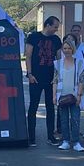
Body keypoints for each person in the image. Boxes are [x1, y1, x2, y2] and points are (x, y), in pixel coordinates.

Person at [26, 16, 63, 147]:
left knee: (50, 107)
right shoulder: (33, 37)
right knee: (33, 107)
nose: (56, 29)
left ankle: (50, 136)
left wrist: (57, 77)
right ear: (48, 25)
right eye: (55, 27)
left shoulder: (56, 40)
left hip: (50, 78)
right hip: (35, 77)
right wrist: (29, 74)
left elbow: (59, 60)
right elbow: (28, 56)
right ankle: (31, 137)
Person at [53, 38, 84, 152]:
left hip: (74, 95)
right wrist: (54, 96)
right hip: (61, 95)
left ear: (73, 49)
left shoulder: (80, 63)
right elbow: (55, 80)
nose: (67, 50)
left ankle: (76, 142)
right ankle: (66, 141)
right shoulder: (58, 64)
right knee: (63, 119)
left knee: (75, 119)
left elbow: (82, 80)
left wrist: (79, 95)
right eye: (65, 48)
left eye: (69, 48)